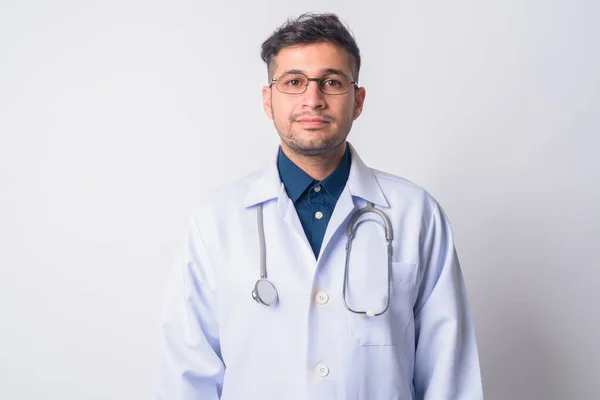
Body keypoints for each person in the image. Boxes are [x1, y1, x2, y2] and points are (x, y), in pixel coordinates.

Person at [156, 12, 483, 400]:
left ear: (358, 100)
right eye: (294, 82)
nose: (313, 99)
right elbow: (186, 377)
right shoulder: (216, 221)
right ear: (268, 99)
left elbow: (449, 374)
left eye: (331, 82)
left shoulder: (415, 215)